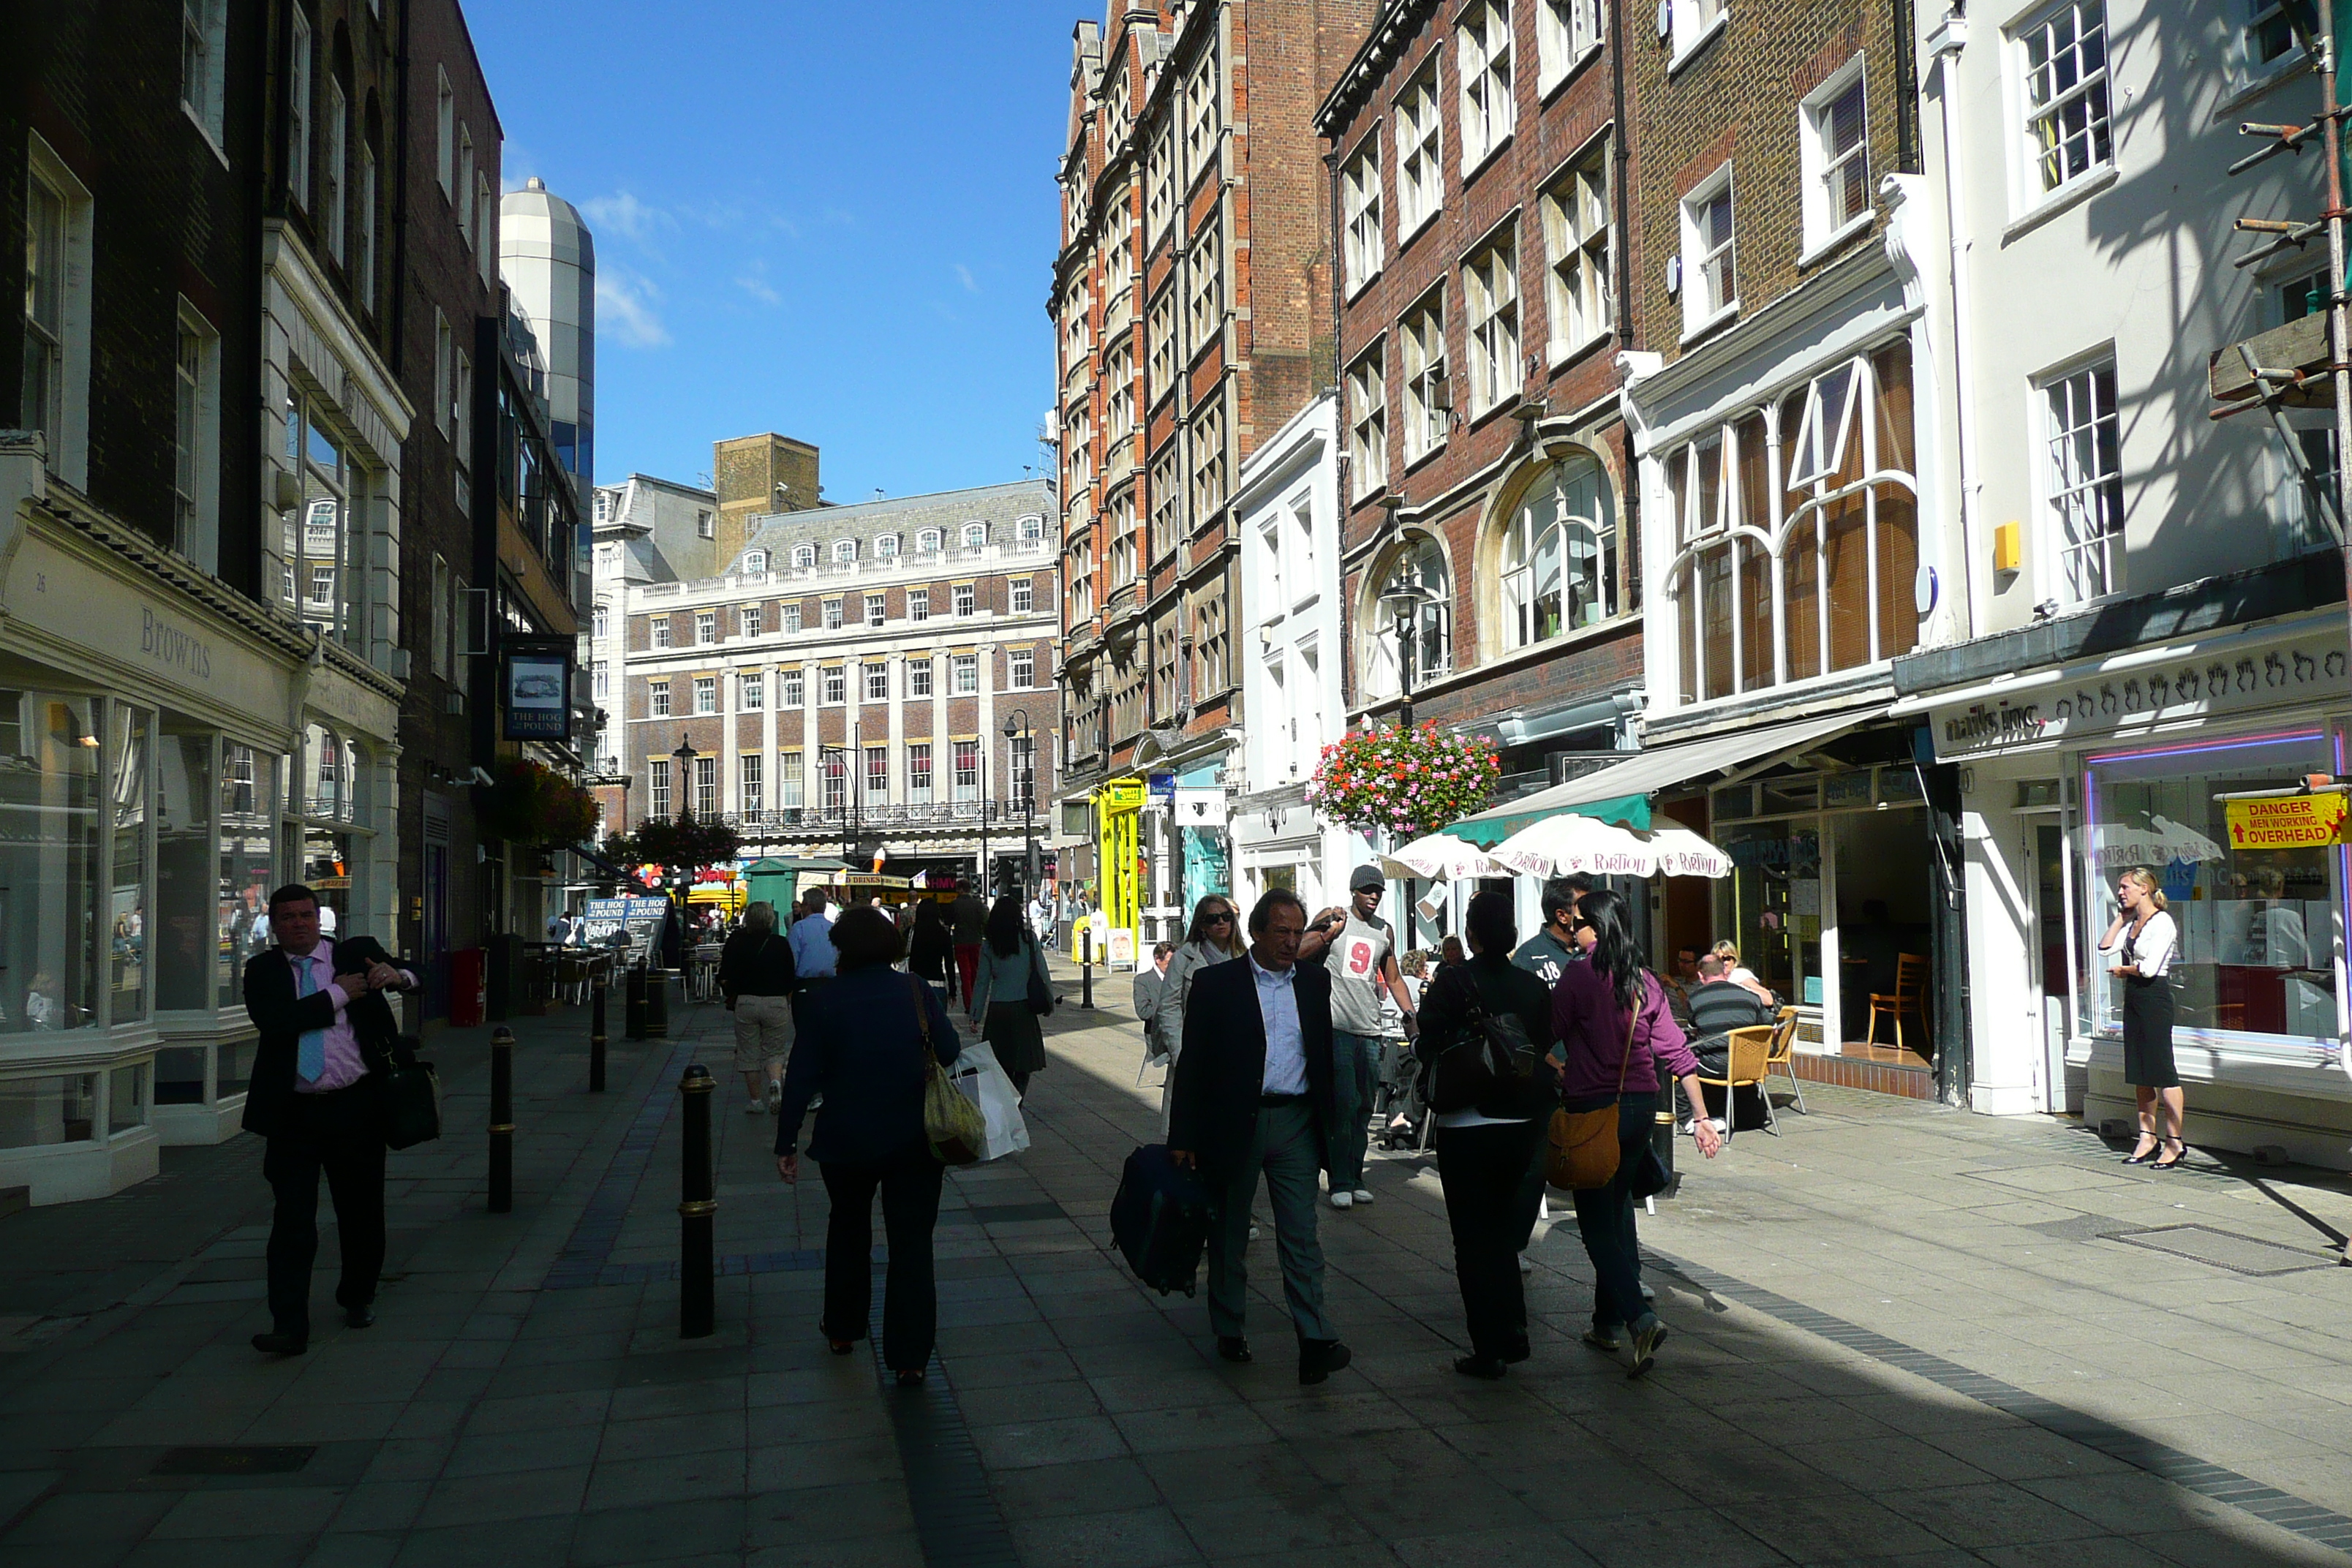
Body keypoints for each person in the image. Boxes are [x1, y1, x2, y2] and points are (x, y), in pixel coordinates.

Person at [1168, 889, 1352, 1385]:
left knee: (1301, 1233)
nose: (1293, 942)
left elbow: (1321, 1054)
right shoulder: (1216, 984)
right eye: (1282, 933)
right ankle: (1229, 1326)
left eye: (1298, 932)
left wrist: (1333, 1122)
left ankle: (1315, 1338)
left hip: (1294, 1120)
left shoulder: (1314, 983)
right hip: (1235, 1123)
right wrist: (1182, 1134)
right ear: (1257, 932)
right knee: (1229, 1231)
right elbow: (1194, 1064)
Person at [775, 907, 957, 1384]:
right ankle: (911, 1356)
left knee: (848, 1230)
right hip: (914, 1138)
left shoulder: (822, 1001)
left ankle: (843, 1327)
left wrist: (786, 1140)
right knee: (912, 1244)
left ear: (843, 950)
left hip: (846, 1138)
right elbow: (952, 1049)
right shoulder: (917, 991)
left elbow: (801, 1077)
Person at [241, 884, 417, 1356]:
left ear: (320, 919)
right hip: (292, 1113)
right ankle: (289, 1323)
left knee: (360, 1212)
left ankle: (357, 1296)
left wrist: (394, 974)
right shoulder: (262, 970)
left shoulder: (353, 953)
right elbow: (277, 1022)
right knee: (292, 1221)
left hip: (354, 1106)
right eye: (288, 917)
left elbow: (415, 975)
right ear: (274, 926)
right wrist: (339, 994)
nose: (298, 923)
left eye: (306, 915)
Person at [1553, 889, 1722, 1377]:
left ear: (1598, 929)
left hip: (1595, 1111)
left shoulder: (1580, 976)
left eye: (1579, 922)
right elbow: (1676, 1054)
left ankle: (1639, 1317)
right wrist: (1702, 1117)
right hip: (1641, 1109)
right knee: (1617, 1205)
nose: (1572, 929)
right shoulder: (1646, 980)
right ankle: (1606, 1324)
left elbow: (1548, 1029)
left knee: (1595, 1225)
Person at [1415, 892, 1560, 1379]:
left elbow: (1426, 1041)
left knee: (1472, 1240)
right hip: (1521, 1123)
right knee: (1501, 1234)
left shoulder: (1453, 982)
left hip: (1467, 1122)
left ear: (1472, 934)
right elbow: (1541, 1044)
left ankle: (1490, 1347)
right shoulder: (1531, 986)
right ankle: (1513, 1329)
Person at [1300, 866, 1415, 1212]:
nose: (1374, 896)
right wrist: (1323, 927)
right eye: (1367, 890)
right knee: (1343, 1104)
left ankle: (1355, 1176)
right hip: (1337, 1027)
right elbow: (1301, 948)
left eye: (1378, 890)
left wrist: (1411, 1017)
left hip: (1371, 1029)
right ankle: (1340, 1180)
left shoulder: (1385, 932)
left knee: (1365, 1107)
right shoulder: (1337, 921)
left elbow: (1393, 979)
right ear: (1354, 891)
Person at [2100, 867, 2185, 1169]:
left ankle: (2175, 1141)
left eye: (2125, 887)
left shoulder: (2162, 923)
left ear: (2144, 889)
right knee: (2139, 1070)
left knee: (2163, 1070)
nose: (2120, 893)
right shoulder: (2134, 922)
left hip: (2154, 996)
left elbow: (2149, 968)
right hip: (2134, 997)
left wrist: (2124, 970)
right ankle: (2147, 1136)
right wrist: (2120, 919)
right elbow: (2104, 949)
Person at [1157, 894, 1248, 1134]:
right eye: (1213, 919)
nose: (1221, 923)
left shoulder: (1243, 957)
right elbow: (1168, 1007)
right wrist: (1181, 1053)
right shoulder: (1184, 958)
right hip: (1195, 1053)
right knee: (1191, 1133)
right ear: (1202, 926)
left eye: (1226, 917)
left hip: (1233, 1057)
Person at [719, 901, 799, 1117]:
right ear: (770, 919)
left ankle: (755, 1100)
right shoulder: (780, 943)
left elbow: (724, 974)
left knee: (748, 1052)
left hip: (746, 1001)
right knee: (775, 1051)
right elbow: (790, 976)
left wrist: (731, 993)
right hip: (776, 1001)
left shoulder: (736, 942)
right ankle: (775, 1081)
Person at [1679, 953, 1775, 1133]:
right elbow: (1768, 1027)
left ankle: (1689, 1119)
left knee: (1680, 1061)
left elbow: (1693, 1029)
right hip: (1748, 1066)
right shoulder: (1751, 997)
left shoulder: (1695, 999)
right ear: (1725, 972)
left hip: (1714, 1067)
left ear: (1701, 976)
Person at [968, 895, 1049, 1096]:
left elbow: (982, 982)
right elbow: (1042, 972)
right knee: (1023, 1064)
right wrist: (1048, 1001)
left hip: (998, 1011)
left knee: (1000, 1064)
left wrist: (975, 1014)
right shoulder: (1029, 939)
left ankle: (1006, 1102)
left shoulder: (989, 946)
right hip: (1024, 1009)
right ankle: (1017, 1101)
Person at [1509, 876, 1586, 987]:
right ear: (1562, 916)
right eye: (1583, 907)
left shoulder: (1595, 950)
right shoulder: (1528, 957)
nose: (1591, 912)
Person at [1135, 941, 1177, 1071]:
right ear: (1158, 959)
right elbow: (1143, 1012)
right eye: (1170, 962)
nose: (1174, 966)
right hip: (1159, 1034)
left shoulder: (1179, 978)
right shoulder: (1143, 980)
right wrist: (1170, 1009)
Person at [949, 878, 989, 1008]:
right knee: (975, 973)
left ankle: (969, 1003)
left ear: (960, 889)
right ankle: (977, 1002)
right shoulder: (978, 904)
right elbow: (985, 921)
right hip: (976, 941)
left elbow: (949, 922)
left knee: (965, 975)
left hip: (960, 942)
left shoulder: (954, 904)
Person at [908, 898, 954, 998]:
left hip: (916, 985)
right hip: (937, 983)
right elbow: (949, 963)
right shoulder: (943, 934)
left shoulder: (912, 932)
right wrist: (952, 989)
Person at [1711, 940, 1775, 1006]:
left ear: (1734, 960)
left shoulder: (1740, 974)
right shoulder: (1709, 977)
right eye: (1718, 959)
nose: (1723, 963)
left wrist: (1739, 988)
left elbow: (1768, 1000)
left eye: (1727, 959)